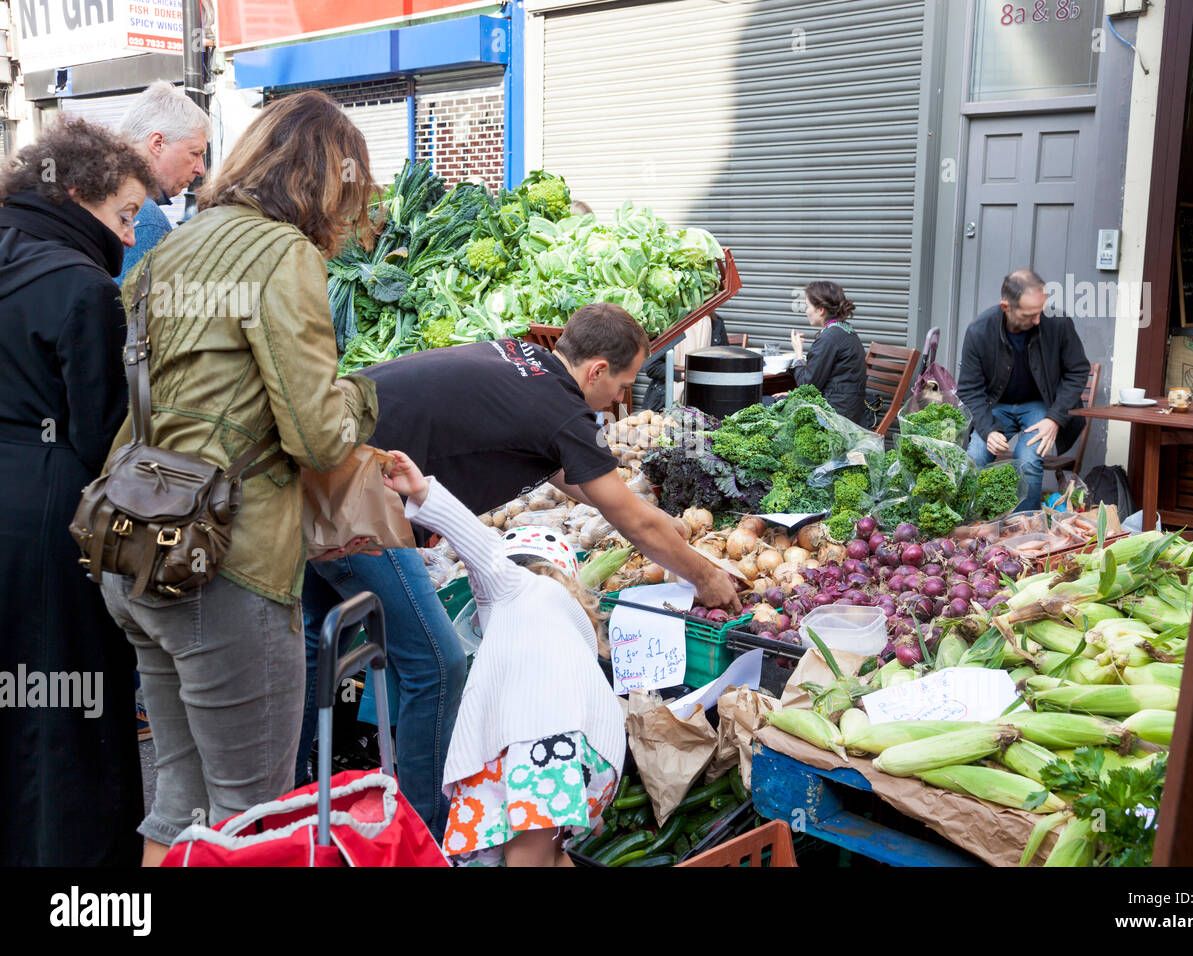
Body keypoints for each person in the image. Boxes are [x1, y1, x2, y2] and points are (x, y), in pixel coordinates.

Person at [295, 303, 741, 839]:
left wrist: (660, 524)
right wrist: (707, 577)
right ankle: (426, 836)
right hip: (357, 506)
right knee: (436, 666)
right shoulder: (559, 409)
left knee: (311, 649)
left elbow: (597, 493)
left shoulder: (526, 362)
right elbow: (633, 522)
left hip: (315, 478)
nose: (620, 399)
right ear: (596, 370)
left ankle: (289, 795)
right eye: (622, 383)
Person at [97, 90, 381, 866]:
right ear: (322, 179)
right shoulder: (281, 254)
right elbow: (320, 438)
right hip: (227, 559)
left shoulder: (168, 251)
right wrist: (366, 391)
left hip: (137, 541)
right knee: (250, 818)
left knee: (181, 802)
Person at [0, 118, 154, 866]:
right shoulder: (83, 287)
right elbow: (105, 437)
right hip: (47, 516)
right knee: (68, 705)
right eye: (125, 214)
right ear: (75, 194)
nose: (131, 237)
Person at [383, 451, 625, 866]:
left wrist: (424, 492)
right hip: (586, 755)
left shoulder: (515, 587)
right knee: (547, 854)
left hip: (544, 744)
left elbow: (482, 549)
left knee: (524, 860)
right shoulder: (568, 629)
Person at [956, 269, 1091, 512]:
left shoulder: (1058, 324)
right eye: (1030, 314)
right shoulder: (979, 331)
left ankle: (1026, 526)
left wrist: (1055, 418)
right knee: (976, 456)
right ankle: (973, 523)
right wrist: (988, 430)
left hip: (1040, 405)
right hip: (995, 407)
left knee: (1028, 460)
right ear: (1006, 307)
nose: (1038, 320)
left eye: (1040, 311)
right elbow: (969, 388)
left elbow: (1078, 371)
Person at [113, 79, 211, 284]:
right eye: (195, 153)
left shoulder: (92, 196)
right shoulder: (145, 219)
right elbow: (136, 314)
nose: (200, 169)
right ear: (157, 143)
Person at [789, 281, 868, 423]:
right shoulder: (845, 330)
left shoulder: (829, 338)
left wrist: (798, 355)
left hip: (834, 417)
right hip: (849, 410)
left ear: (820, 310)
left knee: (766, 403)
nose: (806, 311)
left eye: (808, 306)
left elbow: (807, 386)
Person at [641, 312, 731, 411]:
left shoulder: (715, 323)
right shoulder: (670, 321)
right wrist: (683, 375)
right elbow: (652, 367)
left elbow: (724, 364)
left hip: (706, 394)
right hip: (665, 396)